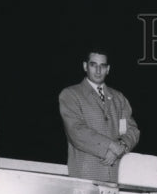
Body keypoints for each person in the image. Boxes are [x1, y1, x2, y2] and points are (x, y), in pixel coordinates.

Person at [59, 47, 140, 182]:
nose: (98, 70)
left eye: (102, 66)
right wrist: (110, 145)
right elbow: (76, 131)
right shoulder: (70, 95)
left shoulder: (119, 98)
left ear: (108, 69)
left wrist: (121, 146)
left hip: (116, 177)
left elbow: (132, 130)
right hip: (85, 176)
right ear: (85, 66)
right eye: (93, 65)